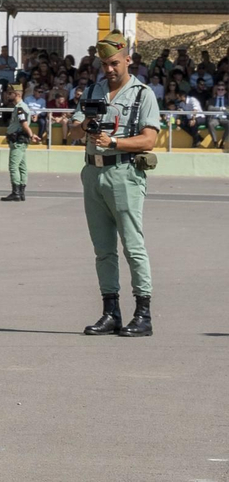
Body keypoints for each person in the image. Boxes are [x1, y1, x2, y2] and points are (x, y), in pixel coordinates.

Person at [67, 33, 161, 338]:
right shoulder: (92, 91)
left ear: (127, 60)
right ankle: (111, 312)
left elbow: (149, 139)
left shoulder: (142, 94)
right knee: (103, 249)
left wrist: (114, 142)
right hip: (93, 173)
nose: (109, 69)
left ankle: (143, 314)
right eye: (104, 64)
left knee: (133, 246)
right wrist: (85, 124)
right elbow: (71, 132)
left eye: (114, 63)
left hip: (124, 173)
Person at [0, 84, 39, 202]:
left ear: (17, 94)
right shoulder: (20, 107)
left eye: (10, 93)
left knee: (13, 166)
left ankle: (16, 192)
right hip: (19, 140)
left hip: (18, 141)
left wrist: (31, 135)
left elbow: (24, 123)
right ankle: (21, 192)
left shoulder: (20, 108)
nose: (8, 95)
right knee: (22, 166)